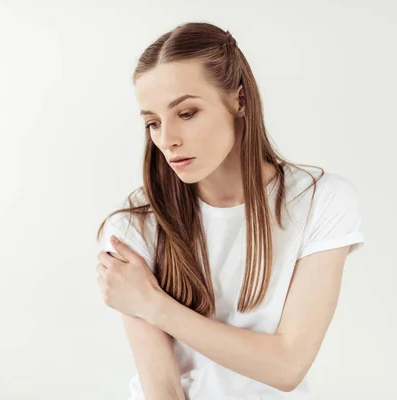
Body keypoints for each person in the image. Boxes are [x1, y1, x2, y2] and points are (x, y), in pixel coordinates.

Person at [94, 22, 364, 400]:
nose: (167, 139)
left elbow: (287, 367)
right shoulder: (136, 224)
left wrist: (152, 304)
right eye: (153, 122)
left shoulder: (322, 201)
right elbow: (164, 390)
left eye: (186, 113)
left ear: (238, 100)